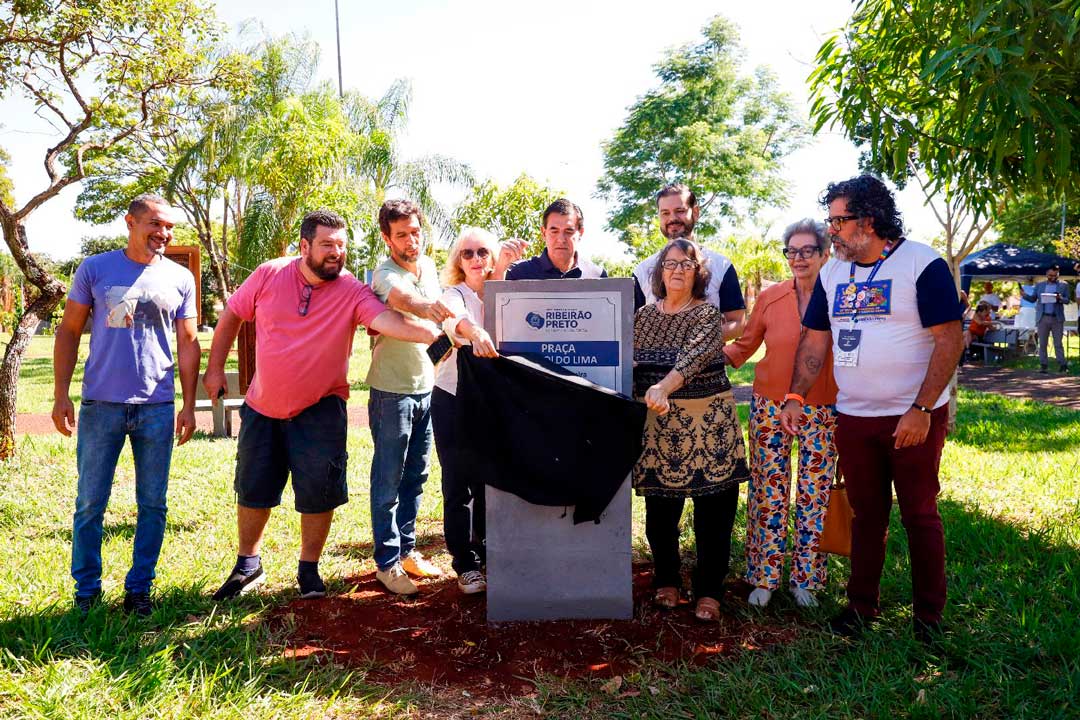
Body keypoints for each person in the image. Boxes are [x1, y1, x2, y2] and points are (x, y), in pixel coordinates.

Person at [206, 209, 437, 602]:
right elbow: (232, 315)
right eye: (328, 244)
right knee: (253, 488)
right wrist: (214, 369)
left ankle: (308, 569)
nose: (336, 253)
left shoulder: (351, 289)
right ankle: (248, 564)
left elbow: (387, 321)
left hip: (320, 408)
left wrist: (438, 332)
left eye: (342, 246)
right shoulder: (269, 273)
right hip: (263, 406)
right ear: (305, 245)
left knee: (319, 492)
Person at [779, 175, 963, 643]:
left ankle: (929, 618)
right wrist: (797, 394)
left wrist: (922, 408)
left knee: (920, 513)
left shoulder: (922, 263)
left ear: (868, 220)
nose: (831, 231)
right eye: (830, 221)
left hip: (913, 416)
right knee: (867, 515)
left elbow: (949, 338)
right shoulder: (833, 273)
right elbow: (816, 338)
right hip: (855, 416)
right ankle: (861, 607)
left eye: (838, 221)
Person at [52, 193, 199, 616]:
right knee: (89, 503)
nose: (164, 233)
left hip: (156, 406)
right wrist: (61, 394)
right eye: (155, 224)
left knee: (153, 504)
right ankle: (86, 592)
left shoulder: (179, 277)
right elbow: (68, 331)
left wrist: (189, 405)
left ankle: (139, 590)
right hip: (101, 405)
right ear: (130, 222)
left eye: (169, 227)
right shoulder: (95, 268)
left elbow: (188, 342)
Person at [633, 238, 750, 622]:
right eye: (670, 263)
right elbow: (627, 362)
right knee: (660, 514)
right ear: (659, 271)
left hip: (709, 431)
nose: (678, 269)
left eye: (687, 263)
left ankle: (710, 590)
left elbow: (695, 356)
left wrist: (663, 387)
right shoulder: (644, 317)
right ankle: (667, 579)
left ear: (698, 273)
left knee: (713, 515)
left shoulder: (707, 315)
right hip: (659, 433)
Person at [723, 219, 838, 609]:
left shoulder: (841, 295)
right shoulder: (771, 297)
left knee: (814, 492)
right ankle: (764, 576)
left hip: (823, 406)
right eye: (792, 251)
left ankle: (807, 579)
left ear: (825, 254)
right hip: (770, 404)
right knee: (768, 489)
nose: (799, 258)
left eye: (808, 251)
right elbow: (743, 346)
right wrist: (693, 361)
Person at [367, 199, 451, 595]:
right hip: (391, 391)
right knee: (388, 479)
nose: (411, 240)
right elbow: (401, 299)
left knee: (416, 477)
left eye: (415, 231)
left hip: (426, 388)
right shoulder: (384, 273)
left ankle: (408, 551)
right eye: (401, 234)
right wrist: (431, 310)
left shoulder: (431, 267)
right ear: (387, 238)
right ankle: (386, 562)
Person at [430, 228, 500, 594]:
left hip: (494, 401)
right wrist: (475, 332)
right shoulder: (452, 294)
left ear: (493, 258)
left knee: (490, 478)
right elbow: (452, 320)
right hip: (452, 397)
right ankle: (466, 563)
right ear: (459, 261)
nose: (475, 259)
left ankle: (492, 553)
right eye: (467, 253)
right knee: (458, 482)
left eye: (482, 252)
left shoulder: (505, 294)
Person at [632, 184, 746, 340]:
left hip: (706, 363)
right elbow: (630, 327)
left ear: (696, 212)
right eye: (665, 213)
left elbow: (738, 324)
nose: (672, 218)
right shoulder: (642, 270)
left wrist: (697, 342)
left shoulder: (721, 265)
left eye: (680, 211)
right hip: (654, 364)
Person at [499, 199, 607, 280]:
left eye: (568, 231)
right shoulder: (517, 273)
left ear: (580, 233)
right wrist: (500, 266)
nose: (561, 239)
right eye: (554, 231)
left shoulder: (597, 276)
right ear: (544, 233)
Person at [1021, 266, 1071, 373]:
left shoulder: (1064, 285)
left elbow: (1067, 300)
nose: (1052, 277)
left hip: (1057, 318)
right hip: (1043, 317)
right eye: (1050, 275)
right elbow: (1033, 299)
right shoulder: (1040, 285)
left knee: (1058, 343)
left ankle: (1062, 365)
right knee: (1043, 343)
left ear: (1058, 274)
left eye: (1055, 275)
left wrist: (1060, 298)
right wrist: (1024, 295)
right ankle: (1044, 365)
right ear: (1046, 274)